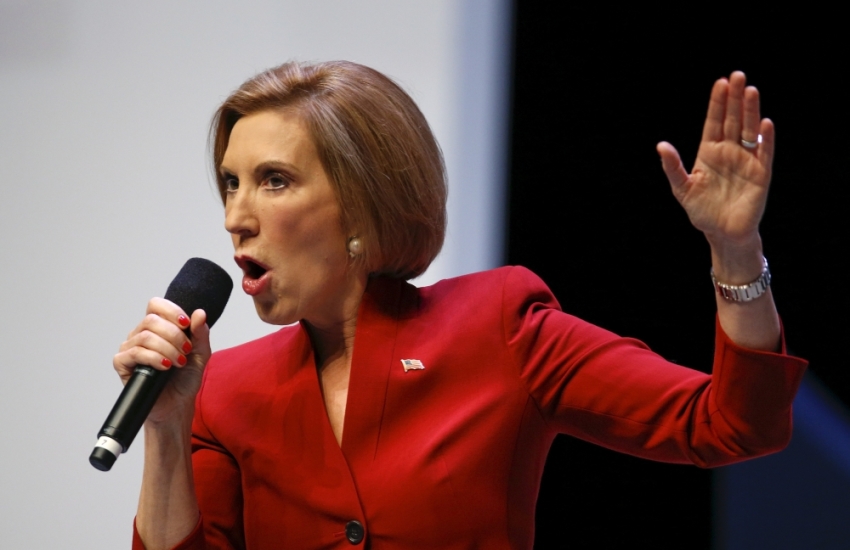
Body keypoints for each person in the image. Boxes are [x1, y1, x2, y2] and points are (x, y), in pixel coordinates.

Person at [114, 61, 807, 550]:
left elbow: (733, 426)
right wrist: (167, 428)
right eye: (230, 183)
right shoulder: (225, 390)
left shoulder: (498, 326)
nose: (236, 215)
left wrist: (734, 249)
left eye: (273, 181)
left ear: (362, 202)